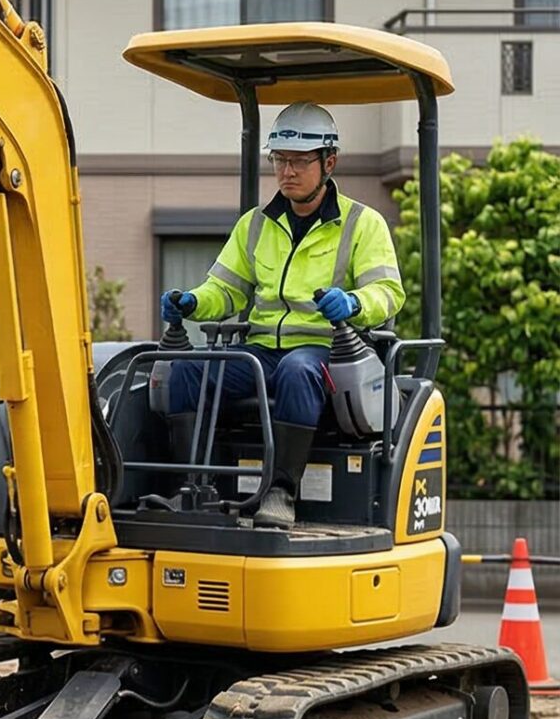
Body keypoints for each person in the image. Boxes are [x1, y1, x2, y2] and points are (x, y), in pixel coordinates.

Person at [157, 102, 404, 527]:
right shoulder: (255, 225)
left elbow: (389, 292)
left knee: (297, 369)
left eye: (298, 161)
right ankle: (198, 490)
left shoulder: (364, 224)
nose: (287, 171)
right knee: (186, 370)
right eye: (279, 160)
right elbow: (226, 289)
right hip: (261, 352)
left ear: (329, 162)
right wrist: (194, 301)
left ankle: (280, 492)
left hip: (328, 354)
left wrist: (355, 304)